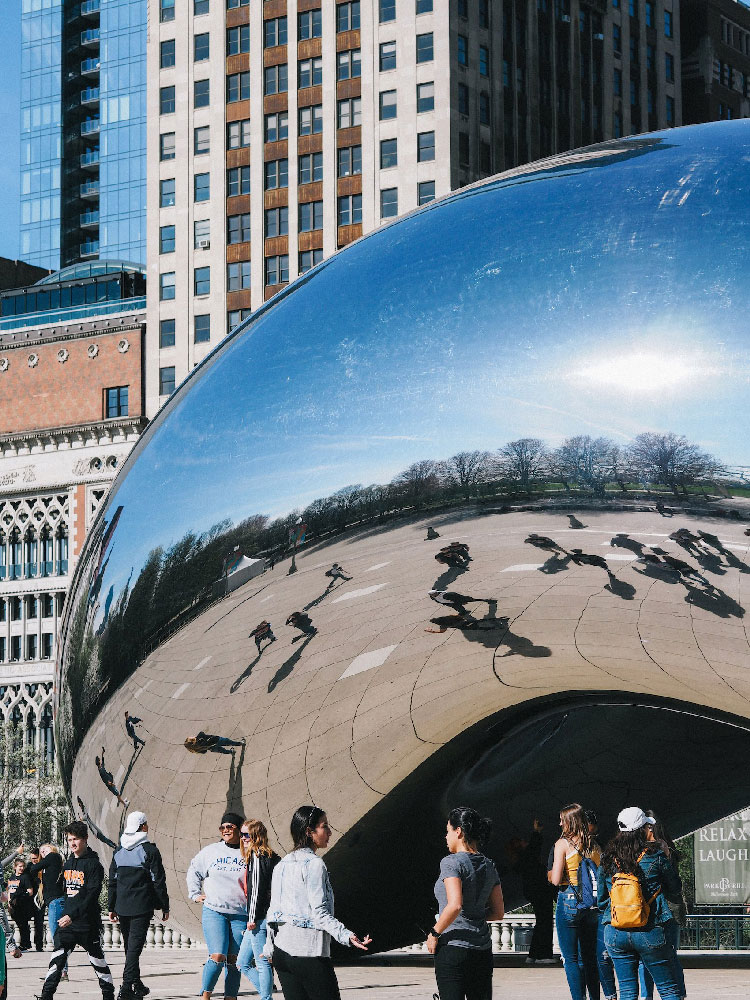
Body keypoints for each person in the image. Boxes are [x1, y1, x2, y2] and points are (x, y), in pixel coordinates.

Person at [263, 806, 371, 1000]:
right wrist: (346, 936)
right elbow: (319, 912)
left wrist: (269, 947)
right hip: (309, 953)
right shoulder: (314, 864)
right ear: (308, 831)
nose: (329, 832)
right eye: (324, 826)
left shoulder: (282, 864)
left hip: (282, 954)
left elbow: (273, 911)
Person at [598, 807, 683, 1000]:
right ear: (643, 828)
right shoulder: (655, 856)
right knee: (668, 989)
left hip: (615, 931)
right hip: (650, 929)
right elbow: (675, 887)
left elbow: (602, 900)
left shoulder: (608, 857)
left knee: (627, 991)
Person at [425, 806, 504, 1000]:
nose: (446, 837)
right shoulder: (489, 865)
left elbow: (455, 905)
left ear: (458, 831)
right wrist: (475, 914)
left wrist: (434, 933)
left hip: (454, 946)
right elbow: (498, 912)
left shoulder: (451, 863)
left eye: (448, 831)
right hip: (482, 948)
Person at [38, 820, 115, 1000]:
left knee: (98, 962)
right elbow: (66, 893)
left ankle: (109, 995)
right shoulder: (68, 863)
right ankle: (46, 995)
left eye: (76, 839)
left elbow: (91, 895)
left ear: (86, 839)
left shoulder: (94, 865)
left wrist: (72, 915)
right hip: (68, 925)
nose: (72, 843)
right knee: (57, 959)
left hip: (88, 924)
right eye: (70, 839)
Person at [108, 811, 170, 1000]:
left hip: (122, 906)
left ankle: (137, 984)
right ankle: (126, 989)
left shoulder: (118, 851)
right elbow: (158, 880)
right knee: (134, 949)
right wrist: (164, 905)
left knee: (130, 947)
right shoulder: (149, 851)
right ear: (142, 826)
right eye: (146, 824)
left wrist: (111, 907)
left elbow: (112, 881)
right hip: (141, 907)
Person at [187, 812, 248, 1000]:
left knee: (234, 961)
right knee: (218, 955)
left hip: (240, 914)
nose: (225, 830)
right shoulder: (211, 851)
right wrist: (195, 894)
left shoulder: (248, 851)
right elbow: (194, 870)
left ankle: (231, 997)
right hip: (215, 911)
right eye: (222, 827)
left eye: (230, 827)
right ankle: (205, 996)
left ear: (239, 828)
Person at [548, 803, 602, 1000]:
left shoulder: (562, 844)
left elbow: (554, 880)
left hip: (569, 902)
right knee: (589, 958)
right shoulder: (595, 846)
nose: (560, 823)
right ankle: (595, 997)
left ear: (570, 821)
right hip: (591, 906)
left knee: (570, 959)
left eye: (562, 819)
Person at [637, 811, 686, 1000]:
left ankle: (656, 995)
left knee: (660, 956)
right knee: (661, 956)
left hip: (663, 909)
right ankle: (668, 994)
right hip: (658, 909)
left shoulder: (662, 851)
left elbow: (674, 884)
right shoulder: (647, 851)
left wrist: (665, 856)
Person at [236, 820, 281, 1000]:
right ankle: (267, 990)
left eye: (246, 835)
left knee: (262, 962)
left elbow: (256, 889)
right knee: (242, 963)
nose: (243, 838)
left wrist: (252, 917)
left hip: (259, 918)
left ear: (256, 836)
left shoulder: (257, 855)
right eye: (242, 834)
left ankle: (266, 996)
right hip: (263, 916)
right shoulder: (271, 856)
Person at [510, 819, 556, 966]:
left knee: (542, 922)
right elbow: (534, 847)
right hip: (540, 891)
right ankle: (543, 954)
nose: (525, 842)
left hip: (534, 892)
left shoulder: (522, 859)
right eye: (522, 842)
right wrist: (536, 832)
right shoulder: (527, 856)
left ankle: (534, 954)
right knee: (545, 922)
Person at [26, 845, 66, 977]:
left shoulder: (54, 857)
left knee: (56, 936)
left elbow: (32, 868)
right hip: (54, 902)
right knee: (59, 936)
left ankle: (59, 971)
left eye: (46, 849)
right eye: (41, 850)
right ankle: (61, 970)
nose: (43, 851)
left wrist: (36, 862)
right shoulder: (48, 866)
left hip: (56, 901)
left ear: (53, 850)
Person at [7, 860, 35, 952]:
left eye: (23, 866)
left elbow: (30, 892)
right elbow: (9, 892)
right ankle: (22, 944)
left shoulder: (25, 877)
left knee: (23, 925)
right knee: (19, 925)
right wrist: (9, 904)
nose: (22, 868)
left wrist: (20, 897)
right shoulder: (11, 878)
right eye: (19, 866)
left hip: (22, 905)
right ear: (15, 867)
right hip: (13, 906)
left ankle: (25, 945)